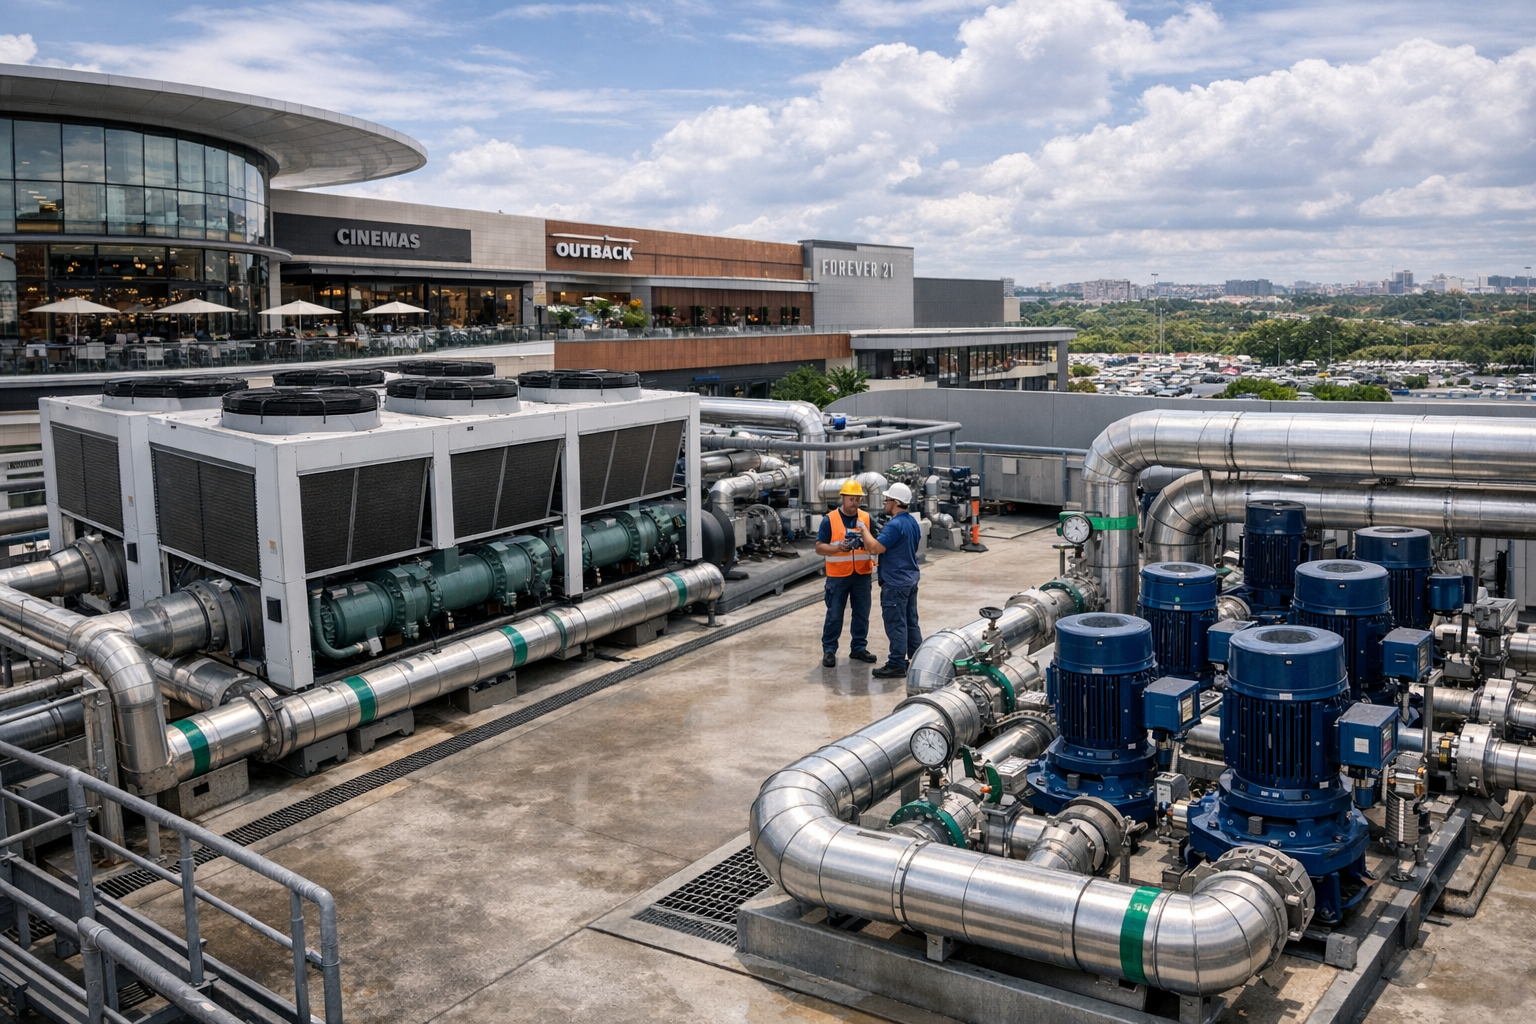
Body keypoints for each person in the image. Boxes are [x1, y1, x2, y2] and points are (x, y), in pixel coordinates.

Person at [857, 482, 923, 678]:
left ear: (895, 502)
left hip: (895, 582)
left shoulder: (895, 525)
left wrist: (863, 529)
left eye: (887, 500)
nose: (884, 503)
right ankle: (917, 660)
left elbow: (874, 548)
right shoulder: (911, 522)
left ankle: (896, 663)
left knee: (896, 623)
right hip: (910, 580)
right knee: (911, 622)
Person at [815, 479, 878, 667]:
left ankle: (858, 648)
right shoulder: (830, 519)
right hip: (838, 576)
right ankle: (829, 650)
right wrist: (837, 549)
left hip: (862, 574)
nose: (855, 503)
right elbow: (819, 547)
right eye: (852, 499)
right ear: (843, 498)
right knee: (834, 614)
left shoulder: (866, 518)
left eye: (858, 499)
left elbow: (879, 540)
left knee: (861, 613)